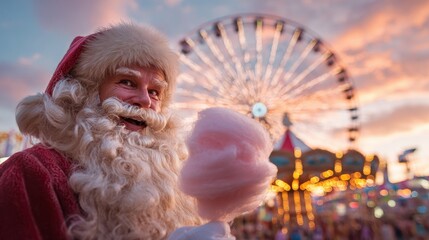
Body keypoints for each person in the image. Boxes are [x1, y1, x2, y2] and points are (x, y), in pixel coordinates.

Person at [0, 22, 203, 239]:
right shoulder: (30, 171)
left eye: (154, 92)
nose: (145, 100)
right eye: (127, 82)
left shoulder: (180, 186)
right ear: (84, 92)